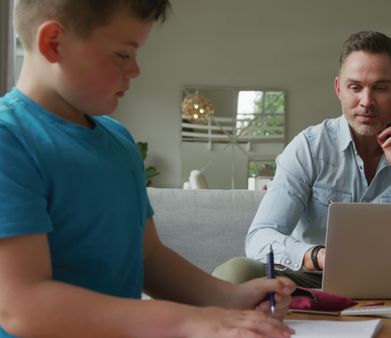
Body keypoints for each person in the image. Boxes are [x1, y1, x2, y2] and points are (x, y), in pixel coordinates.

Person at [0, 1, 295, 337]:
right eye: (124, 54)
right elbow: (22, 306)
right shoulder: (9, 140)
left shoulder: (119, 140)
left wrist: (227, 297)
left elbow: (150, 257)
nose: (136, 69)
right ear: (53, 43)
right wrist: (184, 321)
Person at [213, 31, 391, 288]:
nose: (366, 102)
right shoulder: (308, 149)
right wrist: (317, 256)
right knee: (236, 272)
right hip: (314, 278)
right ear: (338, 89)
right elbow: (259, 238)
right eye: (355, 87)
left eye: (379, 88)